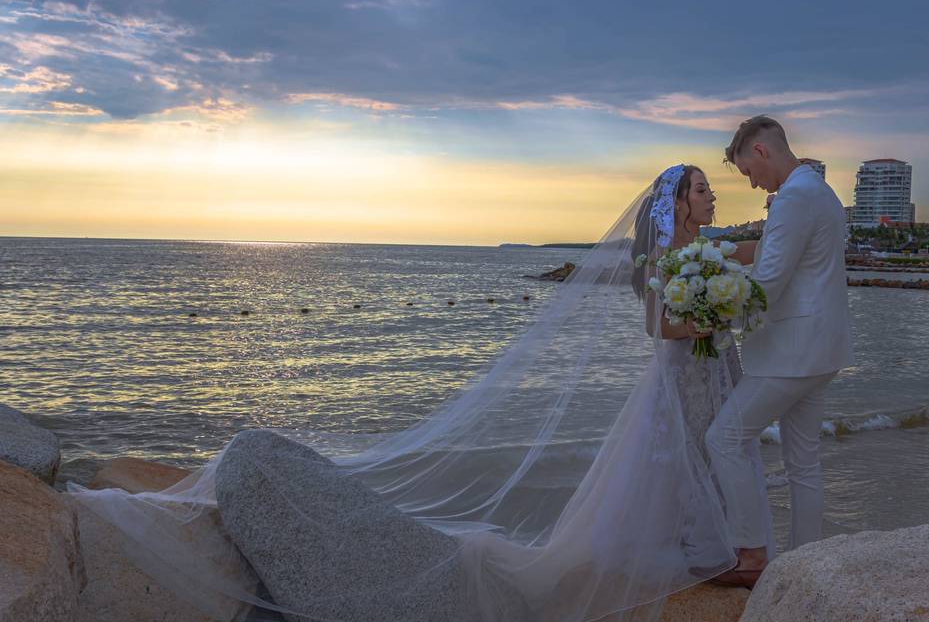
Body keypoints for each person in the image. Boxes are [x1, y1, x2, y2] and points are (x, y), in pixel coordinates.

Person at [71, 165, 773, 622]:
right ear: (677, 202)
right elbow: (660, 326)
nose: (712, 197)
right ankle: (690, 557)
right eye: (704, 190)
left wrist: (734, 298)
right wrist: (718, 314)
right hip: (681, 370)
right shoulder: (664, 258)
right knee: (673, 459)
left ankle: (710, 551)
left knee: (710, 456)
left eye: (711, 188)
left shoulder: (706, 249)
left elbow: (759, 256)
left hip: (710, 368)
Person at [707, 116, 855, 589]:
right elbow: (785, 259)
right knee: (803, 464)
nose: (752, 182)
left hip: (793, 352)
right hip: (823, 348)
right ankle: (805, 566)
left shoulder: (794, 197)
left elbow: (769, 281)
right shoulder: (820, 191)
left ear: (761, 152)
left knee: (724, 438)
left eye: (748, 171)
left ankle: (751, 557)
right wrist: (719, 257)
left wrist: (710, 318)